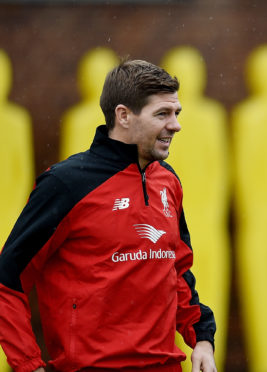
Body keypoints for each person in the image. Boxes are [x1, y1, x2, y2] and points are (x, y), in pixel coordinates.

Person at [0, 59, 217, 372]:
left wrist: (202, 339)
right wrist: (29, 365)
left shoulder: (167, 181)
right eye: (162, 114)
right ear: (124, 116)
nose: (176, 125)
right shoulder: (66, 184)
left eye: (176, 113)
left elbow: (177, 270)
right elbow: (8, 281)